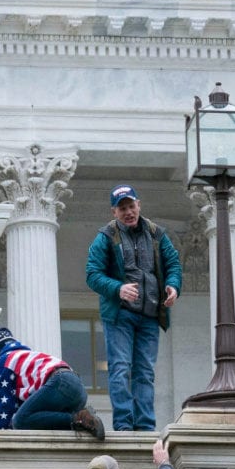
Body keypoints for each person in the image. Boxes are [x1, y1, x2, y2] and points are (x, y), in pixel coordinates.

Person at [84, 184, 181, 432]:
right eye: (122, 208)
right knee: (120, 369)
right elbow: (92, 275)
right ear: (114, 212)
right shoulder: (105, 237)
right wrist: (118, 288)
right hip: (120, 315)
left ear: (139, 205)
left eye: (131, 206)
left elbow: (173, 264)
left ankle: (146, 426)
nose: (128, 211)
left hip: (149, 315)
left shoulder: (157, 234)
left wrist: (172, 286)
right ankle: (124, 424)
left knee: (145, 372)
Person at [0, 326, 105, 439]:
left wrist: (0, 432)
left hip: (61, 383)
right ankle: (84, 419)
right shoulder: (28, 357)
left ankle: (80, 418)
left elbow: (3, 402)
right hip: (78, 390)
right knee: (41, 420)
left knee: (20, 420)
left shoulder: (4, 361)